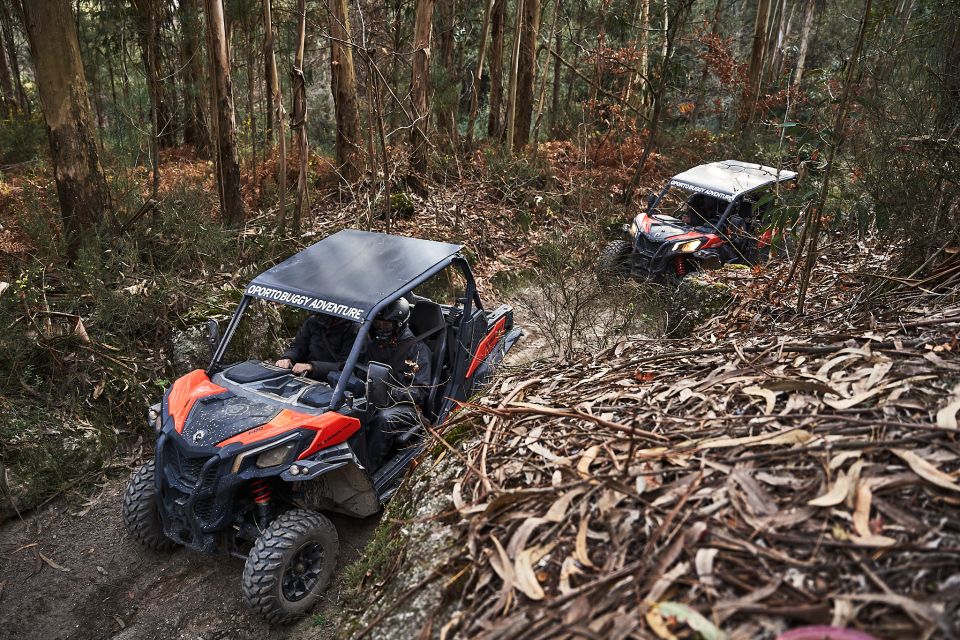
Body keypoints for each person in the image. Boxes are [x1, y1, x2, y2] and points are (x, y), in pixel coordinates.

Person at [359, 298, 432, 469]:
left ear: (399, 324)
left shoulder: (418, 350)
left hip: (408, 407)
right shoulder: (375, 346)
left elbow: (421, 391)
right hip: (372, 398)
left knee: (383, 419)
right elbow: (361, 370)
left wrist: (390, 393)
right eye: (378, 323)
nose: (381, 328)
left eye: (387, 325)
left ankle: (368, 470)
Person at [275, 313, 356, 380]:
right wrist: (288, 358)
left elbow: (349, 367)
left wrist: (312, 367)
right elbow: (298, 346)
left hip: (335, 383)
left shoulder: (353, 330)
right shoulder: (313, 321)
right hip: (306, 378)